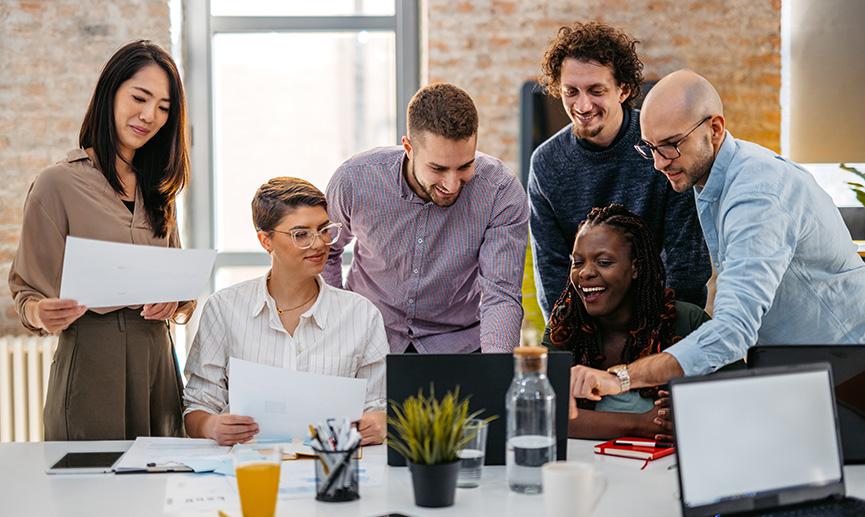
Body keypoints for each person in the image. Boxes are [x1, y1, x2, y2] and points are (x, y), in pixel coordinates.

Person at [569, 69, 865, 402]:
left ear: (714, 129)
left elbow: (732, 330)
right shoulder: (710, 179)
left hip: (852, 373)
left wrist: (621, 377)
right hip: (808, 371)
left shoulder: (757, 194)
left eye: (670, 146)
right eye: (650, 147)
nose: (658, 163)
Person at [8, 40, 193, 440]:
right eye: (140, 98)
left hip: (157, 363)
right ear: (111, 92)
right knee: (88, 494)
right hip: (91, 362)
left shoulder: (160, 190)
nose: (150, 116)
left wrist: (175, 298)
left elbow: (179, 279)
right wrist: (42, 313)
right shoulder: (56, 184)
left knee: (158, 493)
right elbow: (26, 290)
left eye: (164, 108)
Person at [323, 83, 529, 353]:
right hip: (369, 337)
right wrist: (339, 322)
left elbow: (500, 294)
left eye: (465, 166)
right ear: (408, 147)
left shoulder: (500, 191)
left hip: (457, 345)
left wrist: (497, 371)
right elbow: (326, 250)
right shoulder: (354, 180)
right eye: (438, 168)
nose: (452, 184)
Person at [184, 177, 388, 446]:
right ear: (265, 240)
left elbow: (378, 406)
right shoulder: (224, 308)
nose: (319, 244)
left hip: (331, 468)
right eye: (301, 234)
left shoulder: (362, 315)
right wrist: (211, 426)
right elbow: (198, 405)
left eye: (324, 229)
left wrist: (376, 424)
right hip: (246, 470)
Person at [529, 21, 711, 321]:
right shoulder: (546, 163)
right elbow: (551, 272)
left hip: (662, 322)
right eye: (570, 91)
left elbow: (687, 265)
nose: (582, 105)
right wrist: (575, 343)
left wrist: (655, 339)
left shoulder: (663, 146)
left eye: (596, 90)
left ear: (623, 89)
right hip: (587, 328)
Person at [544, 205, 707, 441]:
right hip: (587, 470)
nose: (585, 273)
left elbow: (739, 400)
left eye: (604, 262)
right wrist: (640, 424)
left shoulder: (686, 322)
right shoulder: (565, 325)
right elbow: (546, 414)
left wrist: (692, 414)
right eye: (577, 262)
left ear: (636, 267)